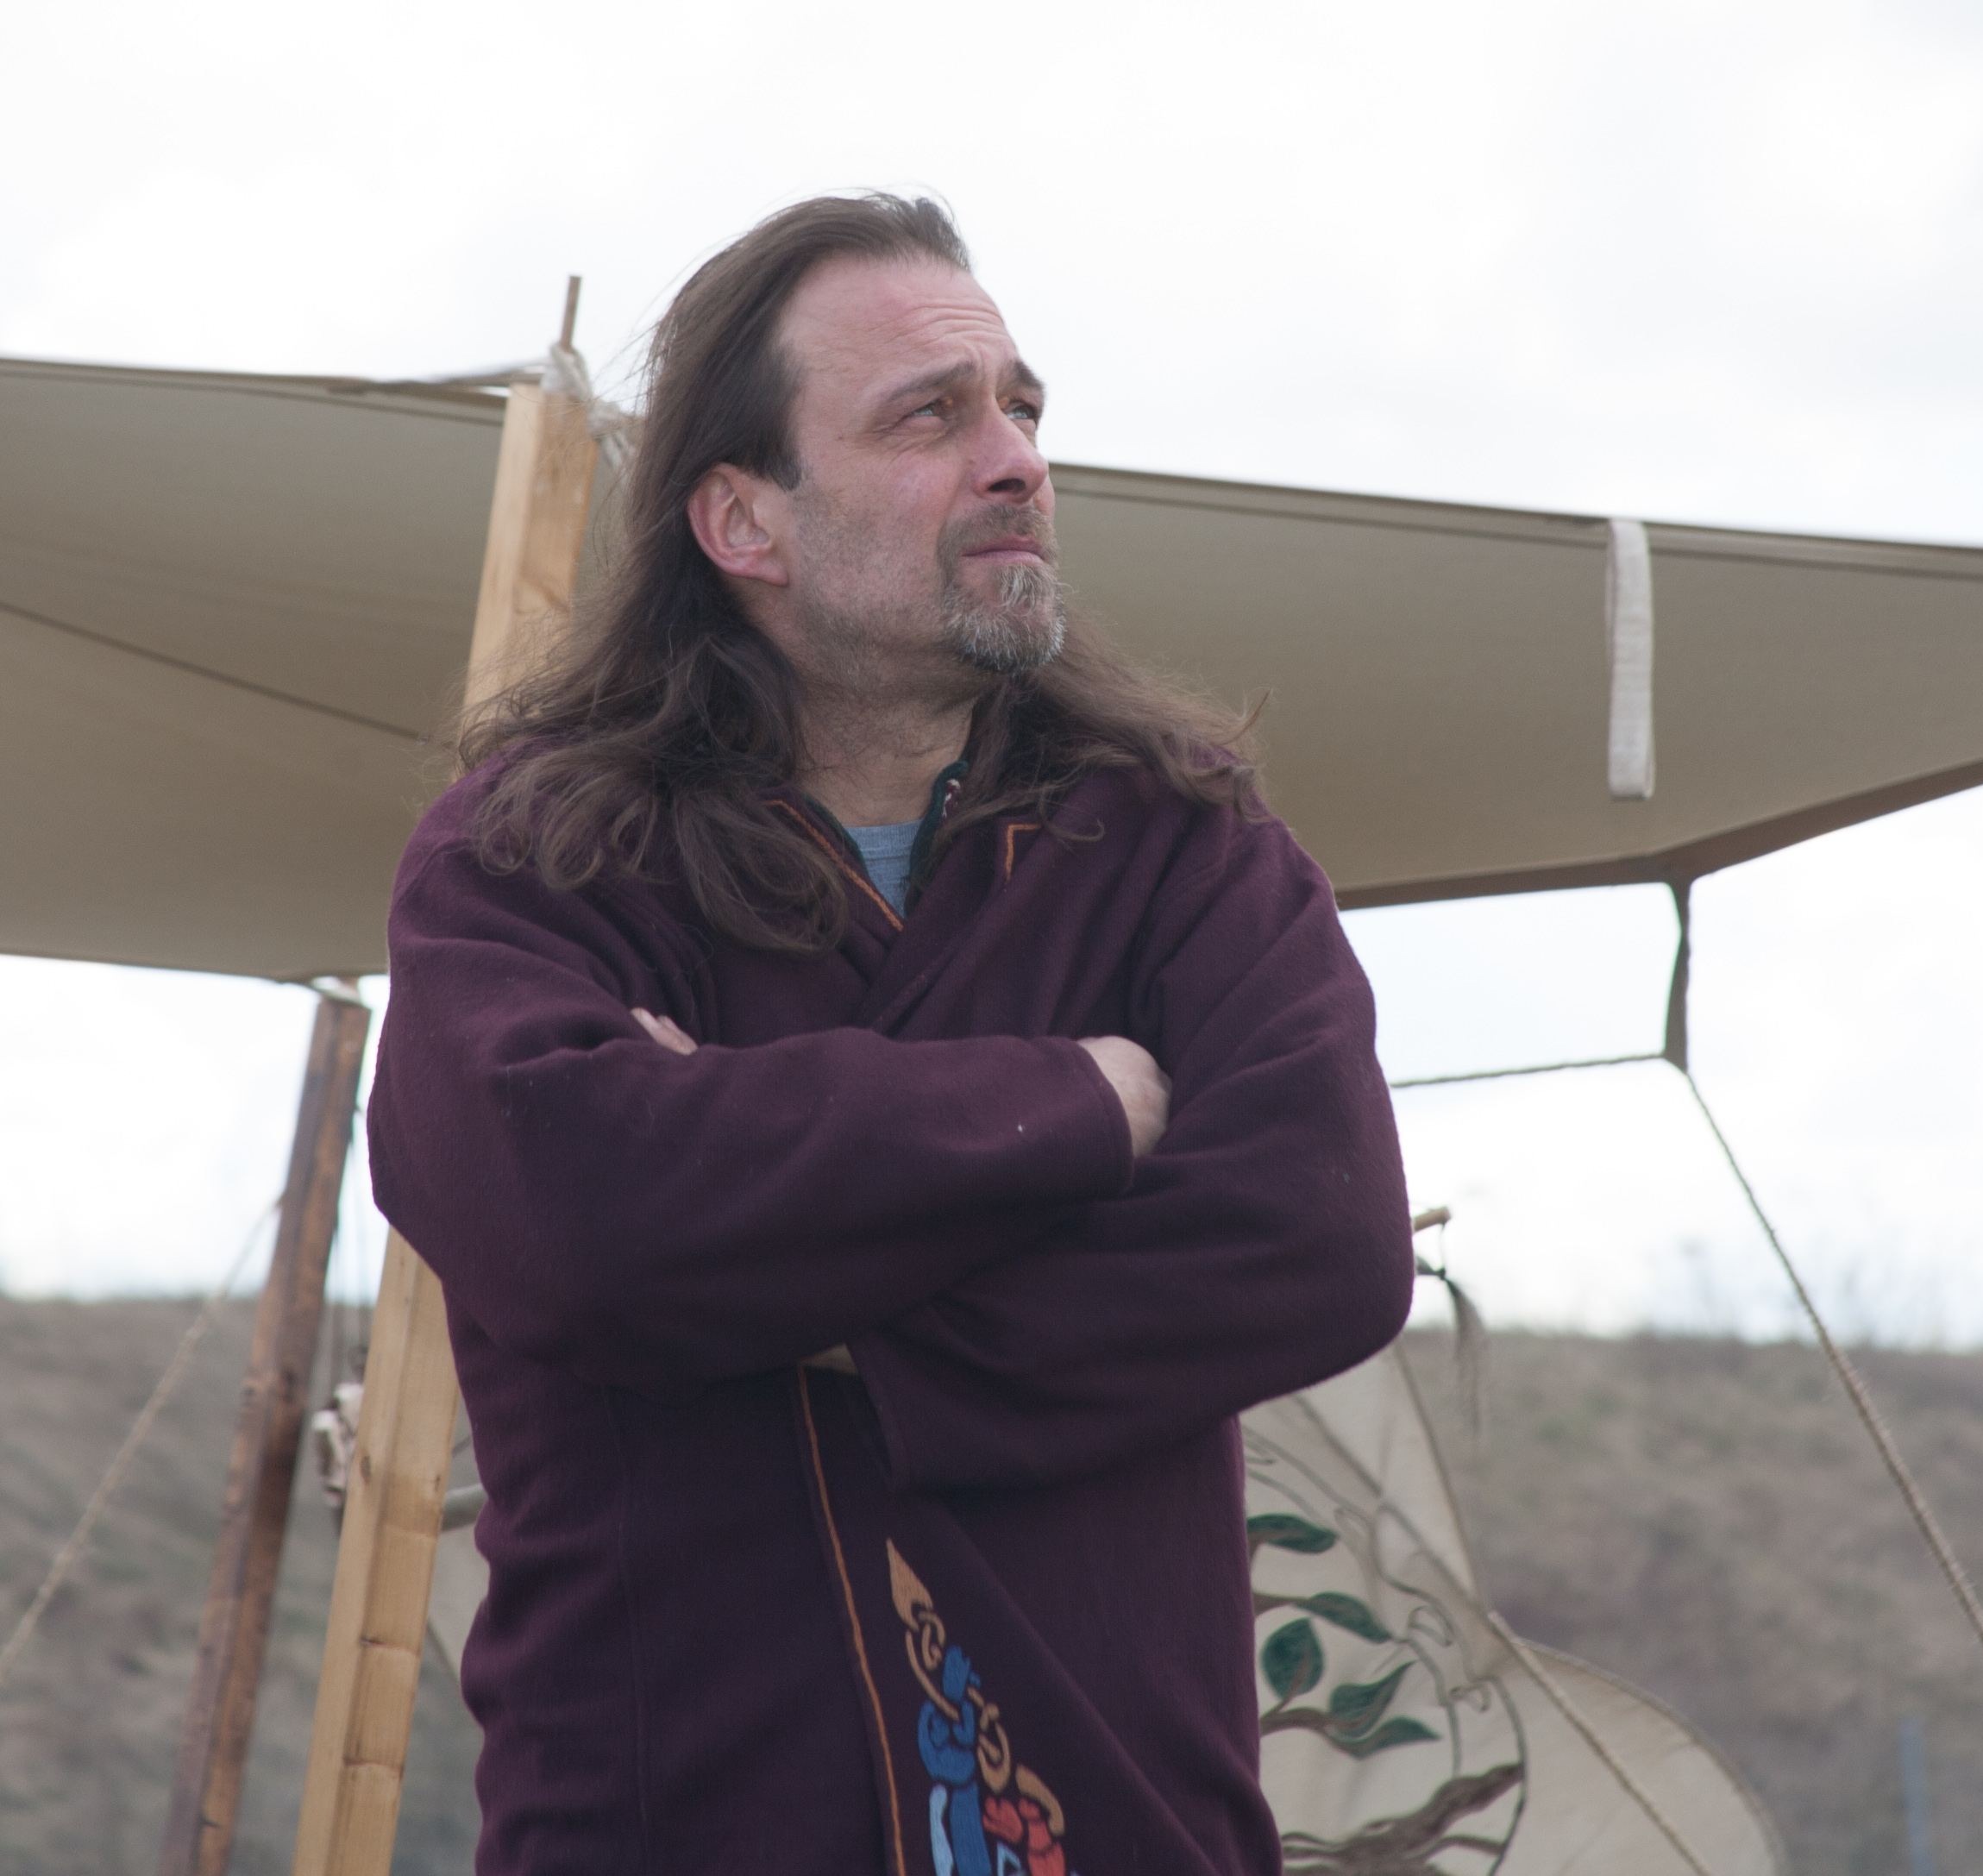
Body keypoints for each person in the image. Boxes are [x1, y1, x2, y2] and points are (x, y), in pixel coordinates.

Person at [367, 192, 1414, 1876]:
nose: (1014, 462)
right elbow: (572, 1216)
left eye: (1022, 408)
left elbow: (1322, 1240)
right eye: (929, 418)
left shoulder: (1180, 846)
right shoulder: (539, 858)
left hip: (1121, 1827)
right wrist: (1072, 1107)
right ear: (744, 520)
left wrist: (789, 1259)